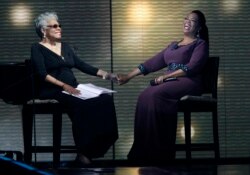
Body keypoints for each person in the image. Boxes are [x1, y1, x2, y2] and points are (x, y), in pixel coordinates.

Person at [117, 10, 209, 163]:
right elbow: (152, 63)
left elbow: (193, 67)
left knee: (155, 95)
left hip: (188, 81)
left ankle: (158, 153)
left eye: (192, 20)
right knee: (144, 96)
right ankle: (142, 152)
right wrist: (128, 76)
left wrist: (166, 76)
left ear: (199, 27)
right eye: (186, 18)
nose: (187, 21)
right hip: (170, 81)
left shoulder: (200, 44)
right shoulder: (173, 45)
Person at [31, 12, 118, 166]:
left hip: (74, 86)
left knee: (105, 99)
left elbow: (82, 65)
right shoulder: (37, 48)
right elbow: (42, 74)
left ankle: (101, 141)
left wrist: (108, 75)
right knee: (82, 104)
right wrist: (64, 86)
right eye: (55, 26)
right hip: (54, 89)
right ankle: (83, 152)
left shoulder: (65, 46)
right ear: (44, 30)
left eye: (59, 25)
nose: (59, 28)